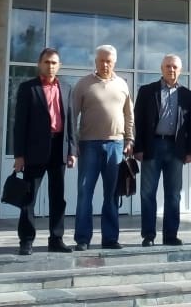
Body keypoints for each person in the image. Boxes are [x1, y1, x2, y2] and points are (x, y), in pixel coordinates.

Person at [12, 48, 75, 255]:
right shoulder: (28, 88)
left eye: (54, 63)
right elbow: (19, 124)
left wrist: (72, 150)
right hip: (34, 151)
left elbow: (71, 121)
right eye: (47, 62)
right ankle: (26, 240)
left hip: (59, 149)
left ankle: (56, 239)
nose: (50, 66)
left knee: (58, 197)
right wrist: (19, 155)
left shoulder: (66, 88)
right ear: (39, 64)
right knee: (29, 198)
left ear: (59, 66)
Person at [72, 44, 134, 250]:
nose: (105, 64)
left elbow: (129, 115)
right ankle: (83, 239)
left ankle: (110, 238)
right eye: (102, 60)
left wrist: (129, 139)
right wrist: (73, 144)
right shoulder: (83, 84)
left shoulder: (122, 84)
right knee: (85, 193)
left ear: (114, 62)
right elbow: (72, 116)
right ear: (96, 61)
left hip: (116, 145)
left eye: (109, 61)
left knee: (112, 194)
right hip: (89, 145)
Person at [133, 54, 191, 247]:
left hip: (176, 149)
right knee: (147, 193)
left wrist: (190, 151)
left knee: (173, 194)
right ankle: (148, 235)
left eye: (175, 67)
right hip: (152, 146)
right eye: (168, 66)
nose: (171, 69)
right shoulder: (147, 91)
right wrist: (138, 147)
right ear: (161, 69)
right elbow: (138, 121)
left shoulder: (187, 94)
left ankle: (170, 236)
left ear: (180, 70)